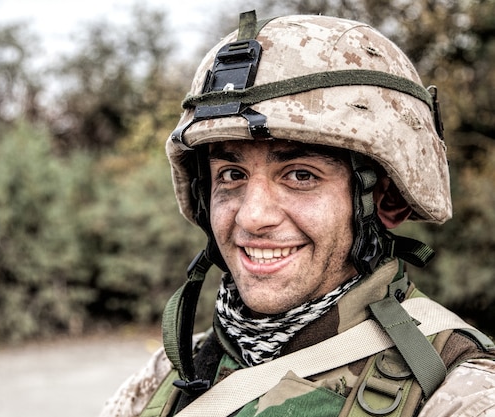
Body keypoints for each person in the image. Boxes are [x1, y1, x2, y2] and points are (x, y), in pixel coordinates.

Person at [99, 10, 495, 417]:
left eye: (300, 175)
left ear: (387, 198)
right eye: (231, 174)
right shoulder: (171, 372)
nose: (252, 218)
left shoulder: (459, 393)